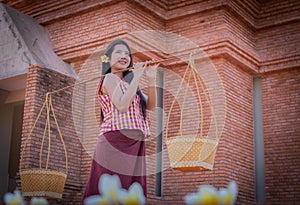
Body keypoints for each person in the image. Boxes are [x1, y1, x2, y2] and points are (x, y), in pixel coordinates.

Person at [83, 39, 158, 200]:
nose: (124, 56)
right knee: (112, 191)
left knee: (131, 191)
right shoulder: (109, 78)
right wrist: (137, 76)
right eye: (118, 52)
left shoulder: (130, 85)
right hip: (115, 140)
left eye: (127, 53)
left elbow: (151, 105)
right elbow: (122, 105)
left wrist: (151, 77)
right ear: (108, 59)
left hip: (136, 141)